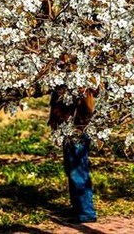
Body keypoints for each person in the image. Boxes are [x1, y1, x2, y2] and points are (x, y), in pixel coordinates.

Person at [49, 87, 99, 223]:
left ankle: (85, 212)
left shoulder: (79, 85)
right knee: (72, 169)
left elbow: (82, 108)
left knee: (77, 171)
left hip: (76, 130)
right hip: (72, 129)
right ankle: (78, 208)